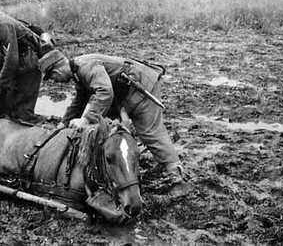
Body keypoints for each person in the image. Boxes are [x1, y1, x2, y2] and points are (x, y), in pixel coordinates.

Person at [39, 50, 186, 188]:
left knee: (150, 132)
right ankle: (114, 162)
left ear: (57, 70)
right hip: (124, 93)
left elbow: (105, 92)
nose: (54, 82)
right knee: (106, 126)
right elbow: (79, 101)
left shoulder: (86, 67)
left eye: (52, 77)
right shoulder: (78, 73)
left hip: (143, 87)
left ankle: (175, 172)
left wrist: (86, 120)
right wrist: (63, 123)